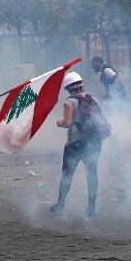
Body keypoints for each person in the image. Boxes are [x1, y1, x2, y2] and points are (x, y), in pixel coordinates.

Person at [50, 72, 109, 217]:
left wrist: (58, 122)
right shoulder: (93, 99)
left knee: (67, 176)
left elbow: (67, 123)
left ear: (69, 88)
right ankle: (91, 208)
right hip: (94, 143)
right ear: (82, 85)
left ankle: (60, 207)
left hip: (75, 144)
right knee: (92, 175)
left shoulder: (69, 102)